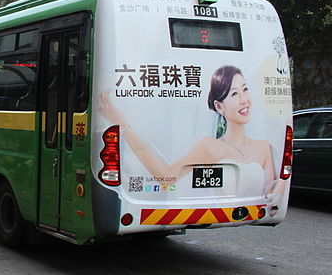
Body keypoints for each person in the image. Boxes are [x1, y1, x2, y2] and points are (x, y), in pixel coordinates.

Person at [97, 65, 281, 200]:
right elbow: (166, 176)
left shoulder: (263, 148)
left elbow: (271, 194)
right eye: (234, 94)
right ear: (219, 106)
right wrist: (121, 124)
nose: (244, 100)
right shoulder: (209, 146)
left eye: (245, 90)